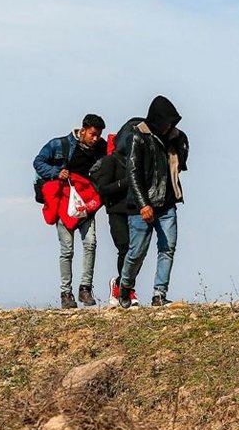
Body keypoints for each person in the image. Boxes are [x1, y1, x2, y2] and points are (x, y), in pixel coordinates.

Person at [116, 96, 189, 308]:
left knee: (168, 248)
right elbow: (132, 173)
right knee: (137, 252)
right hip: (142, 206)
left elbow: (180, 164)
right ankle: (125, 286)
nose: (170, 126)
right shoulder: (137, 137)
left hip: (167, 204)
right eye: (167, 121)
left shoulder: (175, 137)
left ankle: (159, 294)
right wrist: (143, 204)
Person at [34, 114, 107, 308]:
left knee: (90, 244)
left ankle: (85, 289)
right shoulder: (59, 145)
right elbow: (38, 162)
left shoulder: (101, 148)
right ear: (82, 130)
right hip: (64, 204)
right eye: (92, 134)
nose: (95, 139)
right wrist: (55, 173)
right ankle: (66, 294)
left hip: (86, 203)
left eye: (98, 135)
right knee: (67, 250)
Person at [91, 134, 139, 307]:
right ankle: (125, 288)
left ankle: (122, 284)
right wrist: (128, 182)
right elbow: (103, 188)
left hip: (136, 211)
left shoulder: (136, 161)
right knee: (125, 248)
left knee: (136, 252)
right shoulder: (110, 162)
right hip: (116, 211)